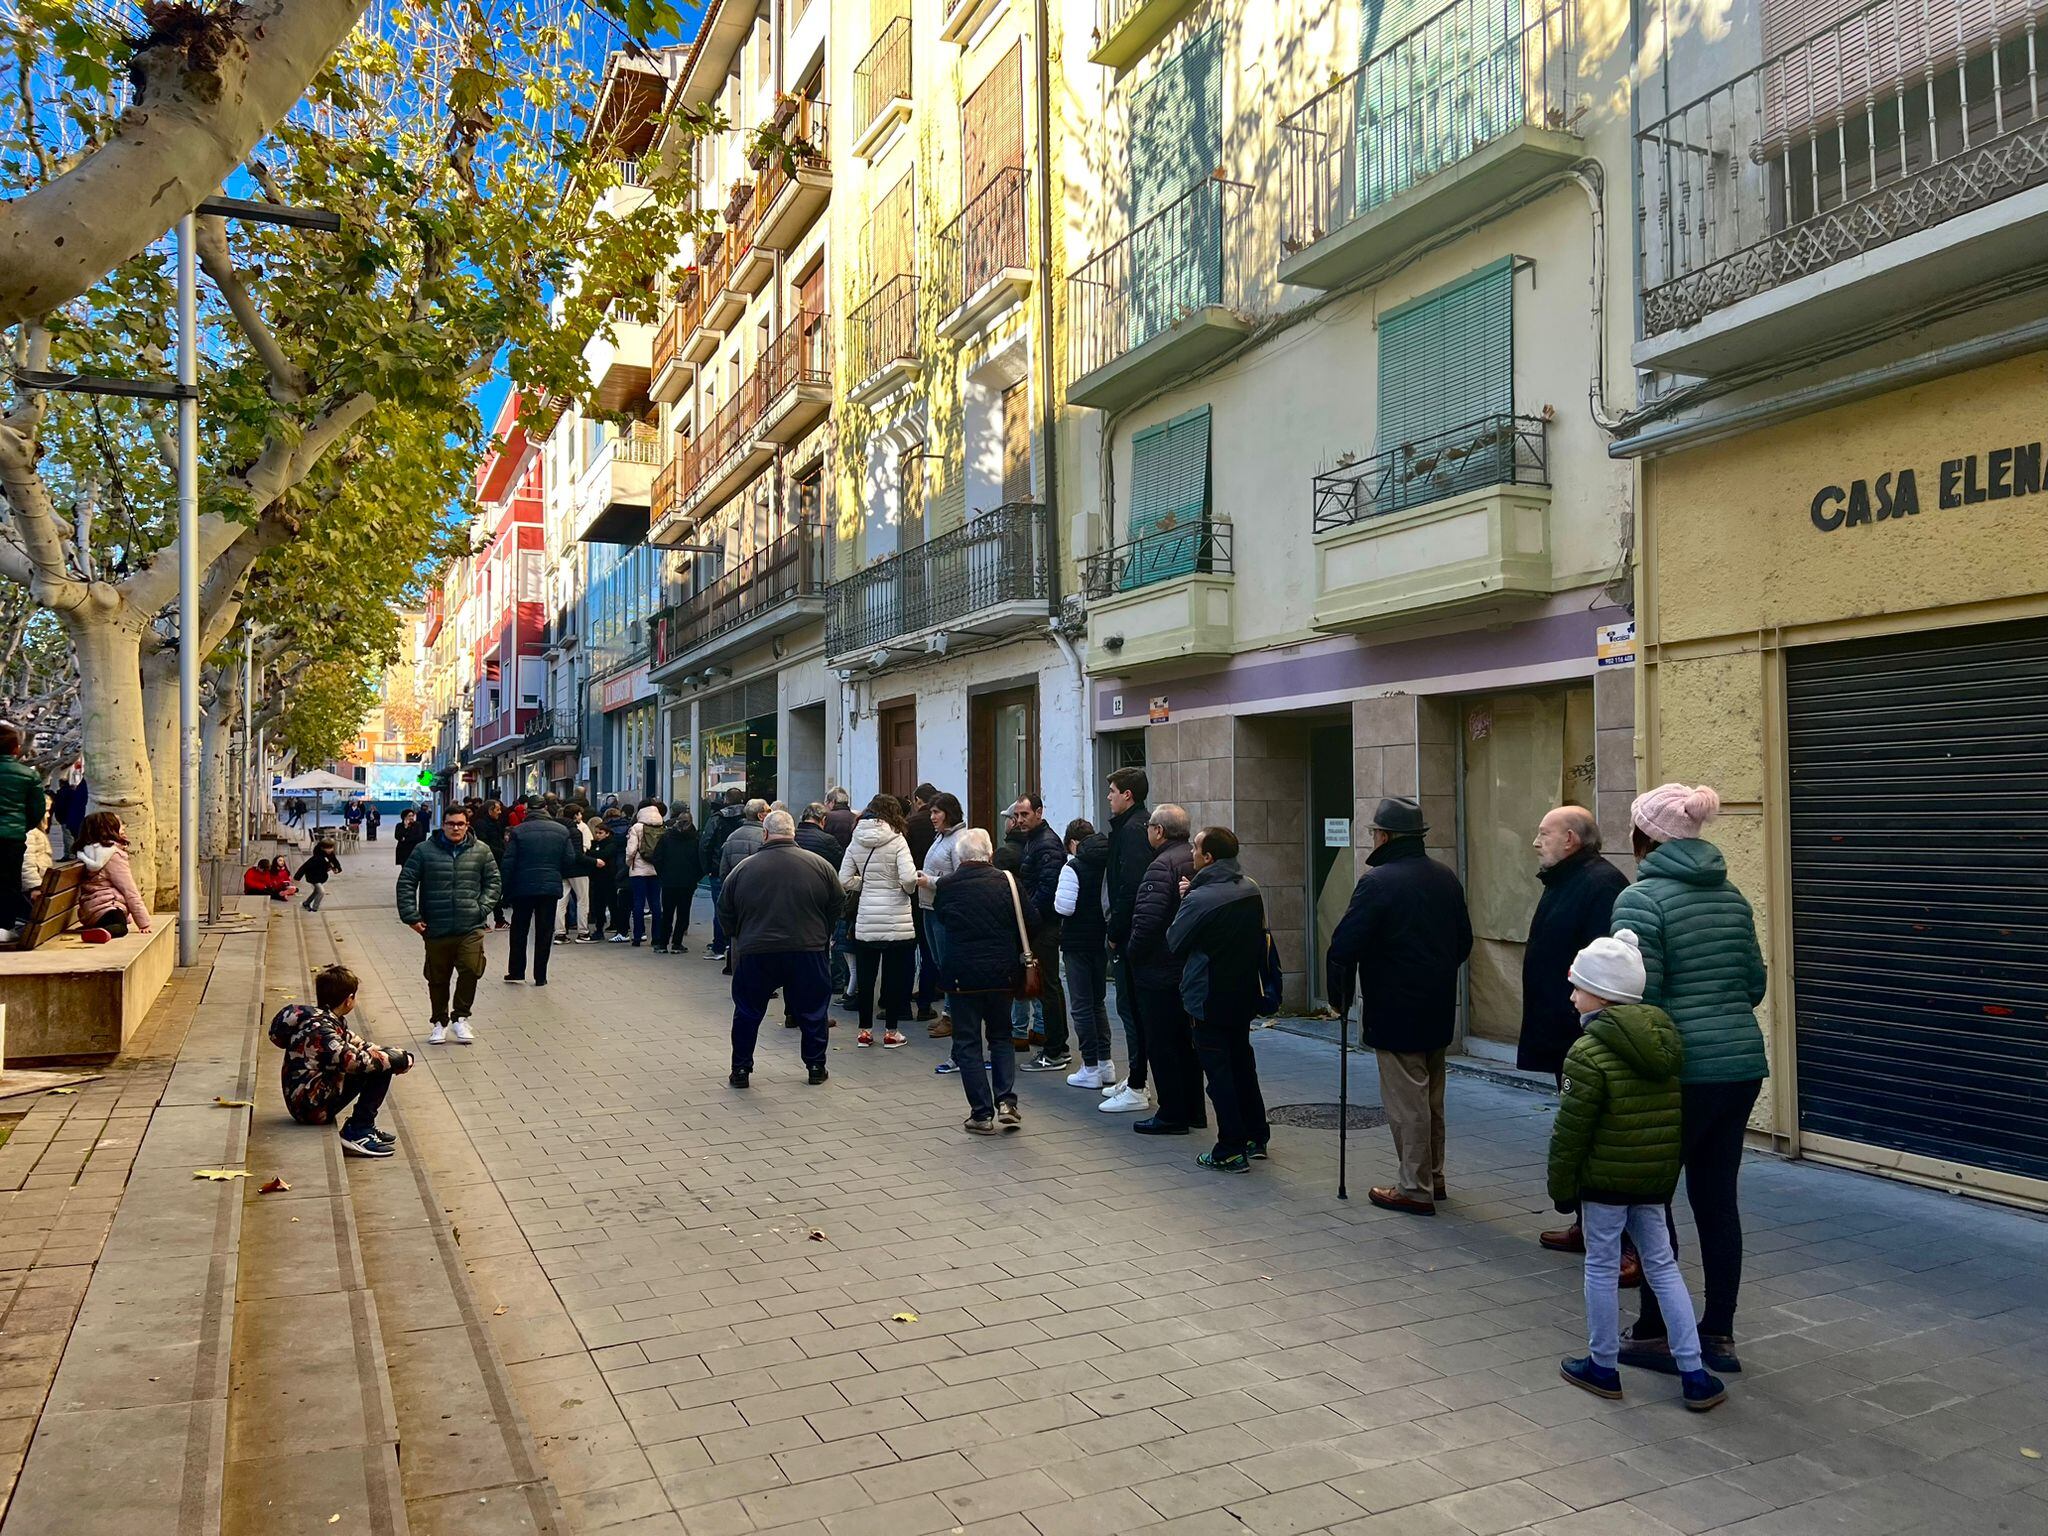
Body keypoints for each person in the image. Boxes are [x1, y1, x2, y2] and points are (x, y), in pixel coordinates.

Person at [1613, 783, 1768, 1377]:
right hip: (1740, 1067)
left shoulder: (1641, 900)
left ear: (1643, 838)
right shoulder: (1730, 896)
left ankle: (1656, 1329)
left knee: (1650, 1197)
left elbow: (1637, 997)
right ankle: (1719, 1334)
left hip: (1678, 1070)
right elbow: (1752, 985)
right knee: (1717, 1201)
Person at [1550, 931, 1728, 1412]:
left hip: (1604, 1183)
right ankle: (1693, 1372)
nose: (1571, 995)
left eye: (1579, 986)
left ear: (1603, 995)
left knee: (1602, 1267)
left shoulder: (1586, 1053)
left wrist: (1562, 1186)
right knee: (1664, 1267)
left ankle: (1602, 1365)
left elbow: (1572, 1131)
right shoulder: (1665, 1042)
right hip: (1651, 1181)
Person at [1326, 797, 1473, 1216]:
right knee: (1431, 1099)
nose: (1372, 838)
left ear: (1385, 837)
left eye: (1374, 832)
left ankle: (1414, 1187)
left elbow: (1344, 945)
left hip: (1394, 1007)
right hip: (1437, 1004)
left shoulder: (1378, 882)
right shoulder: (1445, 877)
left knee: (1407, 1101)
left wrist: (1339, 997)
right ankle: (1434, 1176)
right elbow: (1463, 941)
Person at [1520, 805, 1635, 1269]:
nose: (1536, 841)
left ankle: (1624, 1245)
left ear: (1570, 839)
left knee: (1598, 1137)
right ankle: (1590, 1225)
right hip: (1564, 1030)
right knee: (1577, 1131)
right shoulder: (1569, 879)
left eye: (1543, 832)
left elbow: (1605, 971)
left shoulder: (1600, 884)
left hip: (1584, 1036)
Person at [1168, 826, 1271, 1173]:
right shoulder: (1250, 888)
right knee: (1243, 1064)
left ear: (1209, 857)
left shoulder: (1199, 899)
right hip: (1244, 992)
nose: (1192, 854)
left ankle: (1230, 1147)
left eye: (1196, 849)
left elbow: (1175, 941)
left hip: (1208, 996)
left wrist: (1187, 900)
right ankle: (1257, 1136)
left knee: (1220, 1072)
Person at [719, 809, 840, 1088]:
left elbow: (725, 910)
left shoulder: (744, 869)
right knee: (812, 1011)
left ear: (765, 833)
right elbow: (837, 903)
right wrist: (823, 933)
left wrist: (739, 935)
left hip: (756, 949)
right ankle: (816, 1066)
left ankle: (740, 1070)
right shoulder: (819, 865)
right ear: (793, 833)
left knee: (748, 1011)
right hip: (807, 948)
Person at [931, 828, 1027, 1135]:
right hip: (1002, 974)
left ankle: (981, 1113)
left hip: (963, 976)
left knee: (968, 1042)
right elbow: (1032, 920)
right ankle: (1007, 1102)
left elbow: (942, 918)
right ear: (989, 853)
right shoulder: (1008, 882)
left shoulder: (947, 885)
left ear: (960, 856)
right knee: (1001, 1036)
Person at [268, 964, 415, 1159]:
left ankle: (364, 1125)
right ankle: (358, 1131)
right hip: (310, 1106)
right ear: (349, 1000)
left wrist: (397, 1056)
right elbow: (355, 1061)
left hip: (306, 1098)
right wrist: (393, 1061)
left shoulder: (324, 1020)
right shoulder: (322, 1030)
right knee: (378, 1067)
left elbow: (359, 1045)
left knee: (382, 1060)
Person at [1124, 804, 1203, 1134]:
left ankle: (1172, 1113)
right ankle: (1194, 1111)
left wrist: (1131, 953)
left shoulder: (1161, 865)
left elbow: (1148, 921)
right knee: (1186, 1043)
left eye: (1150, 828)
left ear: (1158, 831)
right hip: (1184, 967)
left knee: (1162, 1043)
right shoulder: (1192, 858)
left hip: (1159, 969)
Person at [397, 802, 501, 1046]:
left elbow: (494, 882)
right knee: (438, 977)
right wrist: (411, 916)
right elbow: (406, 883)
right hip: (436, 926)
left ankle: (461, 1017)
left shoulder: (481, 850)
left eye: (460, 824)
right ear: (443, 825)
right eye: (451, 824)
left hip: (470, 926)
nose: (455, 828)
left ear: (467, 825)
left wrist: (481, 908)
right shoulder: (424, 850)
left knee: (471, 969)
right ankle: (439, 1022)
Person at [839, 794, 919, 1049]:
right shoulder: (898, 840)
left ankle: (864, 1032)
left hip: (867, 919)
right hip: (896, 918)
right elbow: (908, 878)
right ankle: (891, 1032)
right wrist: (903, 888)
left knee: (866, 976)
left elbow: (843, 879)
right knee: (893, 977)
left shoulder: (856, 839)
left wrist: (866, 884)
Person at [1003, 795, 1071, 1072]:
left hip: (1044, 926)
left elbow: (1046, 890)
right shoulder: (1035, 840)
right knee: (1046, 987)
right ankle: (1055, 1046)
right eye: (1017, 815)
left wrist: (1029, 920)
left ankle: (1056, 1049)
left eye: (1025, 815)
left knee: (1049, 987)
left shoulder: (1046, 844)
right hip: (1038, 924)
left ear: (1039, 812)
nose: (1019, 820)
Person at [1100, 767, 1153, 1114]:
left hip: (1131, 936)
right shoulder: (1131, 827)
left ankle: (1137, 1085)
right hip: (1131, 932)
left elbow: (1128, 888)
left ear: (1128, 796)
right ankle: (1136, 1077)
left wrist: (1115, 933)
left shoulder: (1133, 831)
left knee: (1131, 1010)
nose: (1109, 796)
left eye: (1113, 791)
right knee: (1129, 1009)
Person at [1054, 819, 1115, 1089]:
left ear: (1073, 843)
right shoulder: (1107, 862)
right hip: (1100, 940)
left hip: (1076, 942)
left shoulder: (1073, 866)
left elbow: (1064, 907)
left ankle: (1089, 1067)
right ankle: (1106, 1063)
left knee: (1081, 1006)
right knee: (1098, 1003)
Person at [500, 800, 574, 986]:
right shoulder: (561, 831)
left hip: (522, 888)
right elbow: (570, 860)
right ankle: (540, 975)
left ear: (527, 811)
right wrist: (556, 874)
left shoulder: (518, 831)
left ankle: (517, 971)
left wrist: (504, 889)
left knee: (519, 930)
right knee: (544, 931)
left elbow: (508, 862)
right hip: (549, 888)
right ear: (546, 809)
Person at [913, 793, 964, 1037]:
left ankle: (953, 1016)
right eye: (931, 812)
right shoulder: (941, 837)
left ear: (949, 813)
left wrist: (930, 880)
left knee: (948, 964)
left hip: (944, 910)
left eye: (936, 812)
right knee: (938, 962)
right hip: (930, 907)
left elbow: (959, 876)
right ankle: (948, 1013)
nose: (932, 817)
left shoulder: (958, 840)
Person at [73, 811, 151, 941]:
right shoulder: (113, 856)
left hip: (90, 911)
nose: (124, 827)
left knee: (120, 920)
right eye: (120, 824)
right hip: (107, 908)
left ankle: (97, 930)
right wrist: (144, 922)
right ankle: (102, 932)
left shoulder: (87, 852)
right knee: (121, 928)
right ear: (110, 829)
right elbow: (129, 890)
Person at [0, 723, 44, 939]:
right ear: (16, 749)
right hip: (12, 839)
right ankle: (5, 927)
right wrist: (20, 827)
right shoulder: (28, 775)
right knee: (10, 883)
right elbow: (37, 811)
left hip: (12, 834)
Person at [904, 784, 942, 1020]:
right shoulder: (941, 829)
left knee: (908, 950)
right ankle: (926, 1003)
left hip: (911, 894)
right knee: (930, 952)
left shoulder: (910, 825)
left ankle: (902, 1002)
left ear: (918, 800)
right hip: (935, 895)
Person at [701, 787, 746, 960]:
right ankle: (735, 944)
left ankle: (719, 945)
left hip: (719, 869)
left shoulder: (718, 818)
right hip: (744, 871)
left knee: (720, 908)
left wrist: (708, 869)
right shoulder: (749, 816)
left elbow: (706, 843)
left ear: (726, 799)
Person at [653, 806, 703, 953]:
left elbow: (657, 858)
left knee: (667, 912)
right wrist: (696, 877)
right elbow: (700, 861)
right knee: (683, 913)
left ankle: (662, 943)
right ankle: (677, 943)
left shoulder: (667, 837)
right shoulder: (695, 838)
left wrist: (662, 875)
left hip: (669, 881)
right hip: (687, 882)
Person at [624, 801, 667, 946]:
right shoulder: (663, 828)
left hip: (639, 871)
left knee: (638, 903)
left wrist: (629, 863)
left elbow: (631, 850)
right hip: (656, 870)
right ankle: (657, 937)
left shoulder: (636, 827)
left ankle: (637, 937)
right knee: (656, 904)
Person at [557, 804, 593, 942]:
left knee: (561, 901)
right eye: (579, 814)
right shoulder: (576, 831)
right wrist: (594, 861)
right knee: (583, 900)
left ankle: (560, 933)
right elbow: (580, 853)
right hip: (578, 870)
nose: (581, 816)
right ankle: (583, 932)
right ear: (575, 815)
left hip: (562, 869)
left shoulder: (558, 829)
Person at [584, 818, 621, 942]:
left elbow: (604, 854)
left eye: (601, 833)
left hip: (609, 878)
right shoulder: (595, 844)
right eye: (597, 833)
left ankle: (617, 926)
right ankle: (599, 929)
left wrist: (590, 853)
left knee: (612, 904)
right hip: (597, 878)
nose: (598, 835)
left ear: (607, 833)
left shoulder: (611, 844)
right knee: (598, 905)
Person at [718, 798, 769, 885]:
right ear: (760, 816)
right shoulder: (766, 838)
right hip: (759, 889)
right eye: (768, 811)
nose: (771, 814)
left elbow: (724, 872)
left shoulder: (732, 837)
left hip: (737, 890)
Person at [476, 800, 509, 928]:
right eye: (497, 810)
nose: (500, 812)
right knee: (484, 890)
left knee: (495, 890)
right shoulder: (481, 824)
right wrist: (501, 851)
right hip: (486, 861)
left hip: (498, 860)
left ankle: (499, 919)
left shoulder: (496, 823)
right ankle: (482, 920)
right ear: (490, 810)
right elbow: (484, 843)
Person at [18, 799, 53, 915]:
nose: (48, 814)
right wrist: (35, 887)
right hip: (31, 890)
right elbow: (26, 863)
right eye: (46, 811)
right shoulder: (29, 833)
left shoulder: (36, 832)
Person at [296, 838, 343, 912]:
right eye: (328, 848)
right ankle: (315, 908)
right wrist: (297, 878)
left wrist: (338, 868)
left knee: (316, 891)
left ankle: (306, 903)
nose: (330, 850)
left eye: (331, 848)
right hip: (313, 876)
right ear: (322, 848)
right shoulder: (316, 857)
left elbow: (335, 861)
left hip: (321, 876)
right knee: (321, 891)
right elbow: (304, 867)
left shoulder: (330, 854)